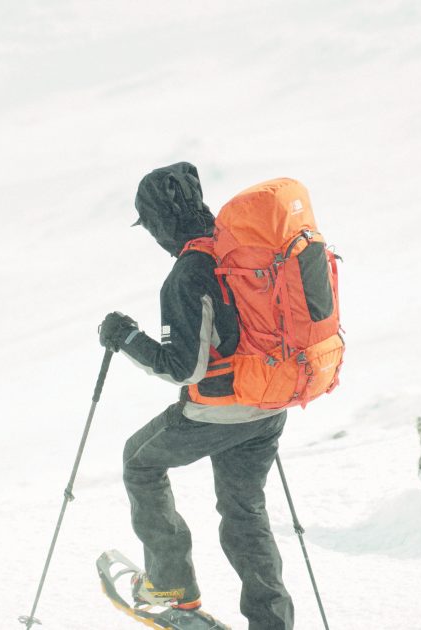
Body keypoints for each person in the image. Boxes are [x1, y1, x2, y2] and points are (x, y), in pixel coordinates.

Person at [97, 162, 295, 630]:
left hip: (219, 412)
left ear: (161, 222)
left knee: (140, 462)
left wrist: (125, 337)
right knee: (244, 511)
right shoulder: (243, 251)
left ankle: (172, 590)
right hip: (269, 406)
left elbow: (182, 367)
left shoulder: (188, 274)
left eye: (149, 226)